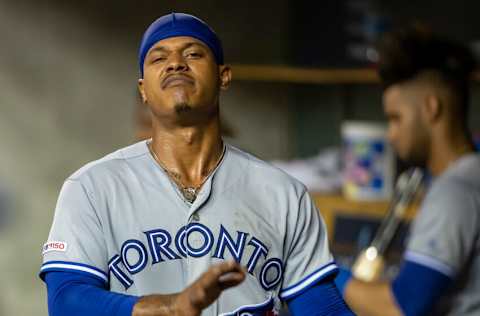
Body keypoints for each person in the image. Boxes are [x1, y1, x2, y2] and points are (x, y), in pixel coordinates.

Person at [40, 13, 353, 316]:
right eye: (159, 58)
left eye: (193, 53)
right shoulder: (92, 188)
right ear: (143, 90)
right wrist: (170, 309)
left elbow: (322, 308)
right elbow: (67, 300)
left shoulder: (284, 195)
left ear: (223, 76)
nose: (176, 62)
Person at [335, 25, 480, 316]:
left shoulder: (454, 192)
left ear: (431, 108)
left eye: (395, 119)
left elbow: (401, 307)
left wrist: (322, 272)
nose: (391, 135)